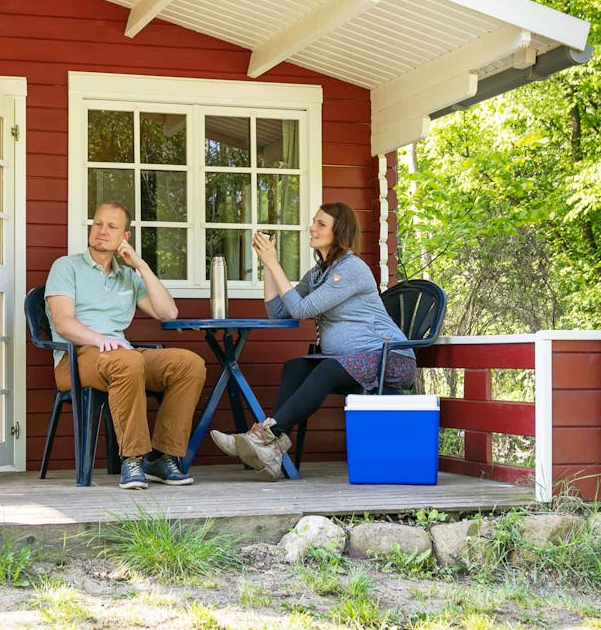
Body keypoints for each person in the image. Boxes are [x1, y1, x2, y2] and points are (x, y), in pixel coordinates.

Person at [211, 202, 412, 480]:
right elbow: (278, 311)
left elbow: (302, 310)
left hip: (388, 358)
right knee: (296, 367)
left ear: (338, 232)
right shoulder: (319, 273)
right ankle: (273, 447)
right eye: (313, 221)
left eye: (321, 224)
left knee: (325, 369)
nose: (312, 228)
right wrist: (268, 266)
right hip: (351, 363)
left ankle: (265, 438)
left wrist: (273, 262)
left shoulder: (352, 268)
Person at [46, 202, 206, 490]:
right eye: (98, 224)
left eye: (111, 227)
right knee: (127, 360)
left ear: (125, 237)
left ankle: (160, 456)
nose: (102, 231)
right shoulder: (66, 267)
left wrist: (140, 266)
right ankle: (132, 458)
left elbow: (168, 313)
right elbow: (63, 323)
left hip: (120, 354)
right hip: (77, 357)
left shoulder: (128, 276)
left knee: (189, 364)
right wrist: (100, 339)